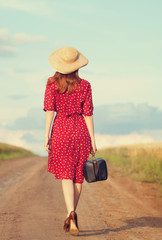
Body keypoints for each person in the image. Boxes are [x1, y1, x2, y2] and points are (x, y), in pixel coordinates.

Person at [43, 46, 97, 236]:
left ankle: (70, 213)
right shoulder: (86, 85)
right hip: (81, 131)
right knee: (78, 176)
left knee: (66, 175)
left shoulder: (52, 84)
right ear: (77, 66)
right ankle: (72, 213)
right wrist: (93, 140)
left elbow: (50, 111)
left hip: (61, 131)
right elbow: (88, 115)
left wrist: (46, 135)